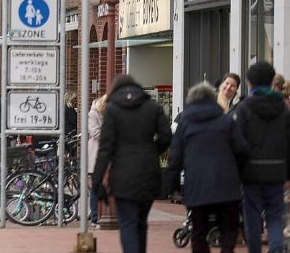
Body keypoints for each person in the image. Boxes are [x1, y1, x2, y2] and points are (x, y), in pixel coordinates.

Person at [92, 74, 172, 253]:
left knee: (127, 222)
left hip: (122, 174)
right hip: (149, 172)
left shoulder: (112, 110)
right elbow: (166, 136)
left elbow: (105, 149)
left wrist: (97, 182)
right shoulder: (153, 106)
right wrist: (153, 150)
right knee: (141, 223)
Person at [166, 83, 247, 253]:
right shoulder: (226, 121)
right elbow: (241, 149)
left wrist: (172, 185)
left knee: (199, 230)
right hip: (227, 183)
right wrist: (238, 174)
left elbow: (175, 157)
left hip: (197, 184)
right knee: (228, 228)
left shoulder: (185, 124)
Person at [232, 61, 290, 253]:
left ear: (249, 82)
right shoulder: (283, 108)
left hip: (251, 172)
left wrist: (238, 170)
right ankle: (276, 247)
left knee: (253, 218)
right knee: (274, 216)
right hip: (277, 170)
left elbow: (239, 142)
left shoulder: (244, 107)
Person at [86, 94, 106, 227]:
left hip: (106, 155)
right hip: (96, 154)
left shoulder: (105, 114)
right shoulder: (93, 114)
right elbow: (95, 133)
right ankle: (94, 218)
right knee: (95, 188)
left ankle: (99, 215)